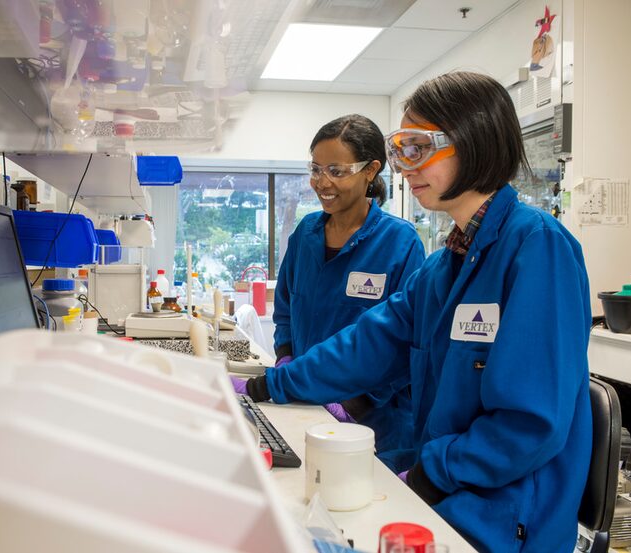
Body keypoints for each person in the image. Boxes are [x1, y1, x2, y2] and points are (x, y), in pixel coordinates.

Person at [240, 72, 592, 552]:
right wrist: (272, 384)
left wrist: (432, 469)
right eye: (400, 149)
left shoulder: (537, 248)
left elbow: (529, 425)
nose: (403, 167)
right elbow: (370, 341)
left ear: (474, 141)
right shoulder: (450, 262)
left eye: (418, 148)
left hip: (502, 518)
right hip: (449, 490)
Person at [269, 114, 425, 471]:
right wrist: (287, 359)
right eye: (316, 169)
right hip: (307, 407)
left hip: (376, 428)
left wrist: (354, 405)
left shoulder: (400, 243)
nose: (322, 182)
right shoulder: (306, 233)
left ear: (370, 171)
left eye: (336, 171)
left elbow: (408, 344)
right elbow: (285, 311)